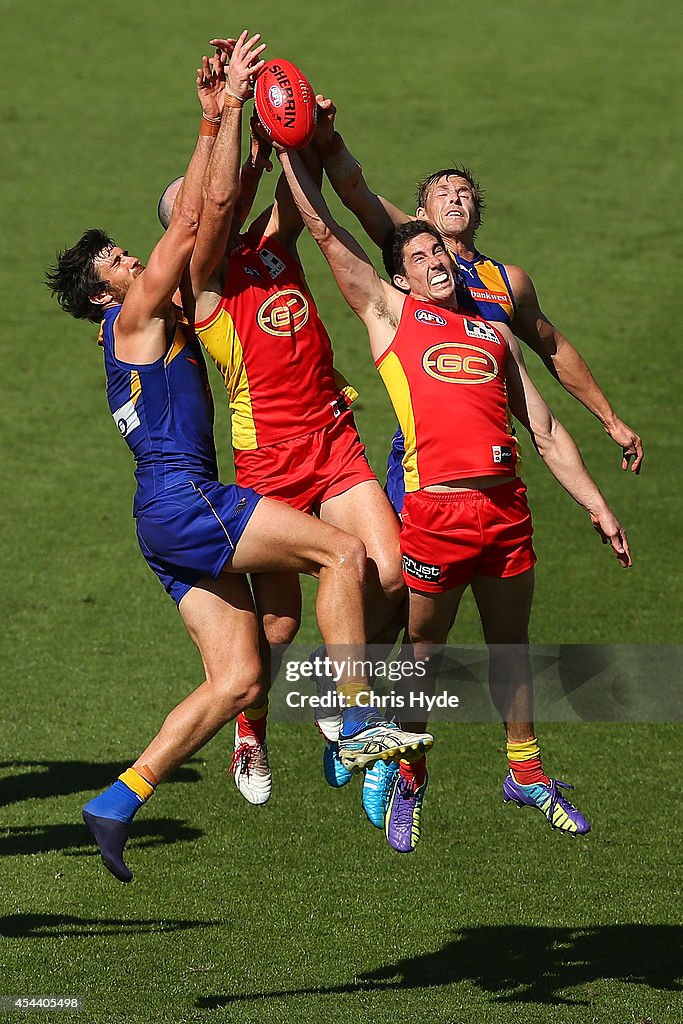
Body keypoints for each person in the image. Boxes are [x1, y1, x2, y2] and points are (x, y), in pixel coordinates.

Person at [45, 35, 433, 882]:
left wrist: (273, 134)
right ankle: (354, 715)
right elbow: (195, 222)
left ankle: (119, 799)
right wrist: (216, 112)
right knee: (341, 553)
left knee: (239, 680)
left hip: (160, 522)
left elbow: (227, 206)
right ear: (103, 294)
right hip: (189, 499)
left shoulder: (144, 324)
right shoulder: (139, 315)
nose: (131, 261)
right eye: (117, 261)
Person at [277, 146, 632, 853]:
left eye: (437, 252)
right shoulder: (390, 317)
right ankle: (409, 773)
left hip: (506, 511)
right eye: (417, 256)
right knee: (422, 652)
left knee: (510, 647)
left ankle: (525, 771)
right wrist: (291, 148)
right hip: (436, 513)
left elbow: (545, 429)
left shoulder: (493, 333)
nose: (433, 260)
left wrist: (596, 504)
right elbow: (325, 233)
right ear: (397, 277)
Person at [156, 50, 406, 823]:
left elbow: (300, 203)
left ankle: (345, 713)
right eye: (195, 208)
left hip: (333, 440)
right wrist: (231, 114)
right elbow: (220, 197)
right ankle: (251, 730)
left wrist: (298, 133)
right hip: (268, 463)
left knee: (390, 575)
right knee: (279, 623)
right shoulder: (199, 284)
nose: (216, 208)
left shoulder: (271, 246)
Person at [312, 102, 643, 513]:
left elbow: (554, 349)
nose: (455, 198)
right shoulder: (415, 249)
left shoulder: (508, 281)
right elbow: (356, 194)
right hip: (428, 446)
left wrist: (610, 420)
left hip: (493, 445)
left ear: (476, 214)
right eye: (442, 193)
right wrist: (328, 141)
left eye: (464, 193)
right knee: (402, 574)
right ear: (420, 217)